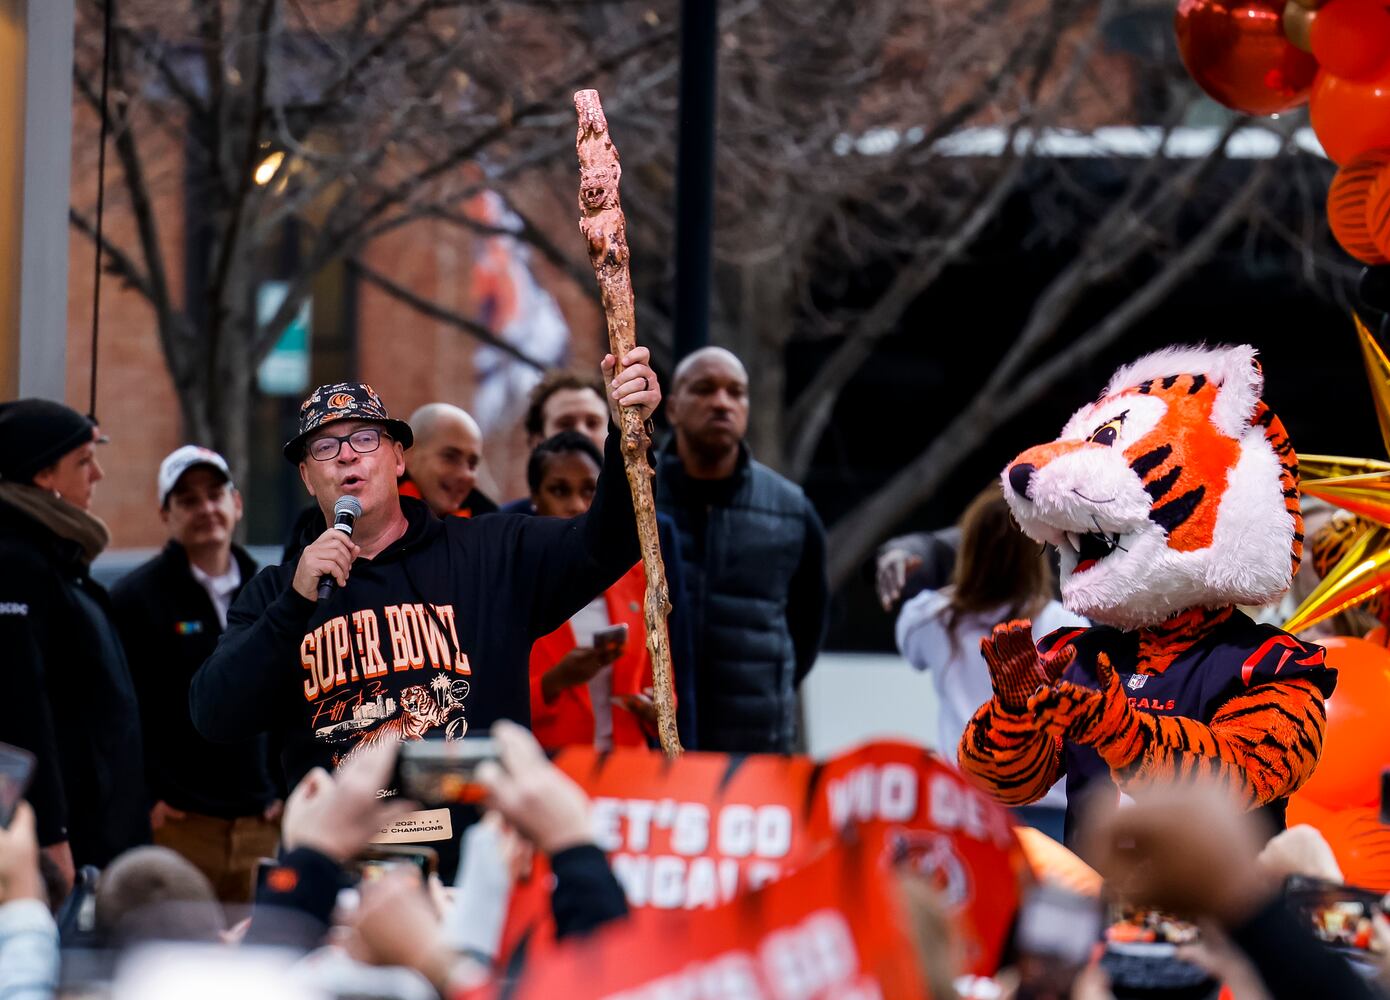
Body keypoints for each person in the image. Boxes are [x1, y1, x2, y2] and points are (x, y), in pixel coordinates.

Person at [191, 354, 660, 863]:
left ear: (397, 459)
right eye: (325, 447)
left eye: (364, 440)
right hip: (342, 870)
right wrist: (294, 603)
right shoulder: (277, 593)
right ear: (307, 477)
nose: (347, 456)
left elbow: (609, 541)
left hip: (478, 862)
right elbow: (215, 715)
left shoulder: (491, 553)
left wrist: (624, 431)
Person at [110, 446, 280, 903]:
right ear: (165, 514)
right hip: (181, 829)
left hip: (262, 826)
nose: (205, 508)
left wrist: (285, 787)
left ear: (237, 503)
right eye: (187, 500)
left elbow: (296, 694)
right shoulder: (134, 600)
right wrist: (146, 800)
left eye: (215, 494)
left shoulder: (274, 590)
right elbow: (120, 712)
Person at [0, 399, 149, 890]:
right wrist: (50, 835)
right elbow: (21, 710)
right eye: (83, 461)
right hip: (64, 846)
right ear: (44, 475)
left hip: (98, 834)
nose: (99, 474)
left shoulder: (56, 556)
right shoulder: (16, 563)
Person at [654, 347, 829, 753]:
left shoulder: (790, 508)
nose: (721, 402)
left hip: (756, 745)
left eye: (736, 392)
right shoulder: (637, 498)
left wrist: (769, 687)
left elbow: (808, 623)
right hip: (653, 740)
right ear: (674, 408)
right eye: (704, 389)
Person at [896, 484, 1085, 840]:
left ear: (968, 551)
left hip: (966, 807)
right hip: (1049, 808)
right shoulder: (1068, 625)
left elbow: (911, 649)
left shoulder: (931, 618)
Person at [526, 432, 661, 750]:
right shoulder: (511, 581)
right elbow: (488, 700)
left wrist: (655, 710)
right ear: (535, 498)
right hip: (553, 768)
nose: (575, 504)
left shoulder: (636, 576)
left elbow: (662, 680)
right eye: (559, 490)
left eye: (589, 491)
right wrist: (555, 681)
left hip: (628, 769)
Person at [499, 370, 611, 514]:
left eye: (592, 423)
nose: (581, 433)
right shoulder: (505, 528)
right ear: (537, 440)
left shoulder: (639, 516)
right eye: (565, 424)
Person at [401, 403, 497, 519]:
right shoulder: (377, 512)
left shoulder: (488, 526)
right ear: (408, 454)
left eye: (472, 464)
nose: (465, 475)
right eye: (450, 457)